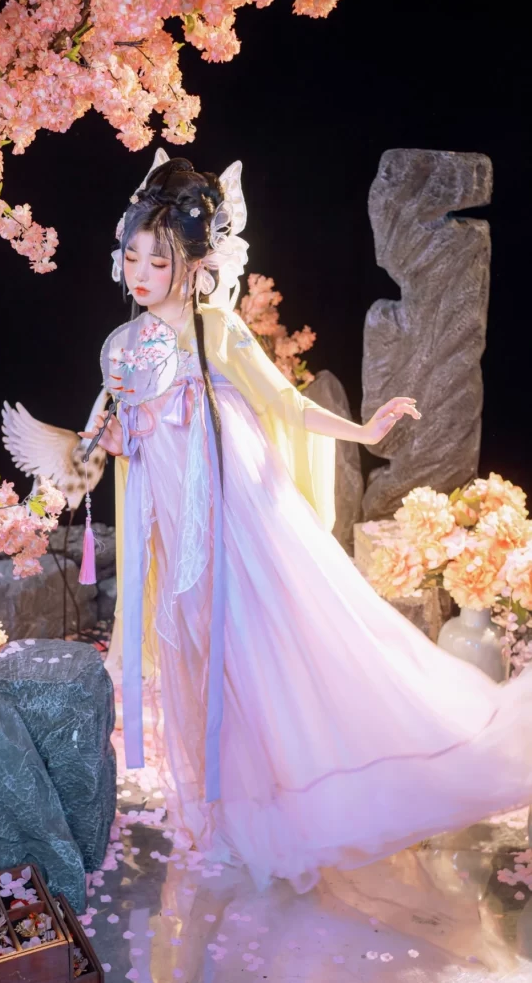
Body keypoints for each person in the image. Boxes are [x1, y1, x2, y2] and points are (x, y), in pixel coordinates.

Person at [78, 153, 532, 896]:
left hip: (245, 528)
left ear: (194, 264)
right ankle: (219, 811)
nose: (141, 273)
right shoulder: (119, 349)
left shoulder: (216, 330)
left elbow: (285, 405)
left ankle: (286, 801)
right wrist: (107, 440)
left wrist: (363, 431)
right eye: (132, 257)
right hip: (177, 538)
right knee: (198, 662)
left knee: (266, 659)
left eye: (158, 260)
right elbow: (129, 443)